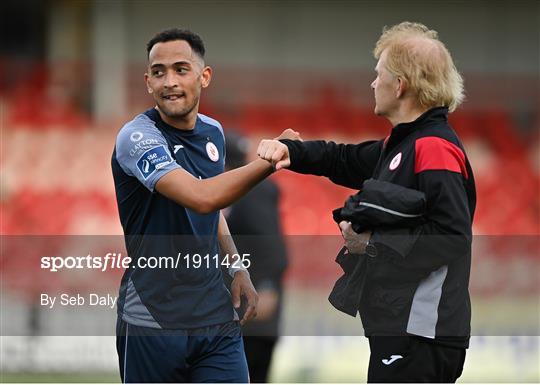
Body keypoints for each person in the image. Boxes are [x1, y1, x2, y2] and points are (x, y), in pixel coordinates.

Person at [257, 22, 476, 383]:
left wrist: (372, 245)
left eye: (379, 75)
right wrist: (291, 150)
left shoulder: (433, 147)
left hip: (421, 334)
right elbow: (342, 159)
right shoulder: (404, 144)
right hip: (404, 331)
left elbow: (452, 237)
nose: (374, 83)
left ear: (400, 84)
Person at [111, 28, 294, 383]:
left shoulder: (213, 132)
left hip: (214, 312)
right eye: (159, 72)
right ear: (147, 82)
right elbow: (201, 196)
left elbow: (211, 210)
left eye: (181, 69)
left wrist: (238, 267)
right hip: (153, 315)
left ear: (204, 76)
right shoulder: (136, 138)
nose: (169, 82)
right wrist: (270, 159)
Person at [223, 132, 288, 383]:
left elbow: (272, 245)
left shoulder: (250, 193)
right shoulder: (248, 190)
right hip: (250, 314)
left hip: (253, 314)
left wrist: (267, 285)